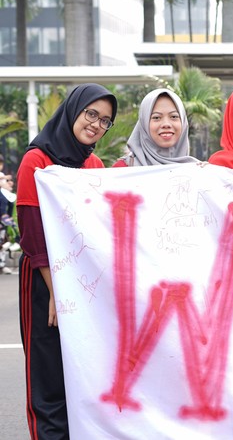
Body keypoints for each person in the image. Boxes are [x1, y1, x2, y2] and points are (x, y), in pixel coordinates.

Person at [16, 83, 117, 439]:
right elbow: (32, 233)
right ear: (74, 110)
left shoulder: (94, 164)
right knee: (47, 374)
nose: (96, 125)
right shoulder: (36, 160)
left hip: (83, 280)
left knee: (84, 371)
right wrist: (58, 291)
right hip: (44, 277)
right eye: (91, 114)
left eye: (105, 121)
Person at [114, 88, 199, 167]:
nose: (166, 124)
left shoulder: (197, 170)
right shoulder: (122, 169)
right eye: (156, 117)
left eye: (174, 116)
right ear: (144, 124)